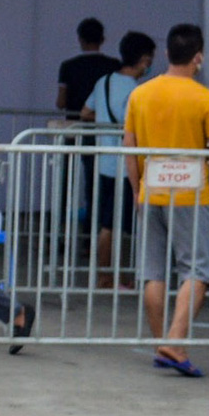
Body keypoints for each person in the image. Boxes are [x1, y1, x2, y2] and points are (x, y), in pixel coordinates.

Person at [124, 23, 209, 378]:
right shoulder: (206, 98)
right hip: (192, 194)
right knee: (198, 268)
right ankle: (174, 340)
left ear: (167, 53)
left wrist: (137, 189)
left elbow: (129, 148)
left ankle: (162, 345)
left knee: (153, 270)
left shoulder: (140, 94)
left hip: (150, 189)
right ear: (198, 57)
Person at [84, 30, 154, 287]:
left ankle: (110, 273)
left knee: (107, 222)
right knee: (115, 225)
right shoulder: (138, 91)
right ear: (145, 60)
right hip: (126, 166)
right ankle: (107, 275)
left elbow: (85, 112)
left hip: (103, 161)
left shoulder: (103, 82)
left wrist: (105, 124)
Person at [56, 16, 117, 119]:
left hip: (74, 126)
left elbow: (60, 103)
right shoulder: (113, 65)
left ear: (80, 39)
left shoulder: (68, 66)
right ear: (102, 40)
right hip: (104, 125)